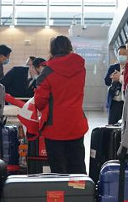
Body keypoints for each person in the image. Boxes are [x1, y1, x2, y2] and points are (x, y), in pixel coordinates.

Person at [34, 36, 88, 174]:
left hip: (54, 127)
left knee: (58, 168)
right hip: (76, 123)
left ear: (52, 50)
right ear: (69, 47)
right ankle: (80, 193)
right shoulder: (80, 67)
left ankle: (62, 194)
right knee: (77, 165)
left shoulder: (47, 71)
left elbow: (39, 102)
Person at [104, 45, 128, 124]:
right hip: (114, 101)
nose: (121, 56)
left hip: (125, 102)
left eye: (124, 54)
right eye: (119, 54)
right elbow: (106, 81)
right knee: (112, 123)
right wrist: (113, 80)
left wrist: (120, 78)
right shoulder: (113, 67)